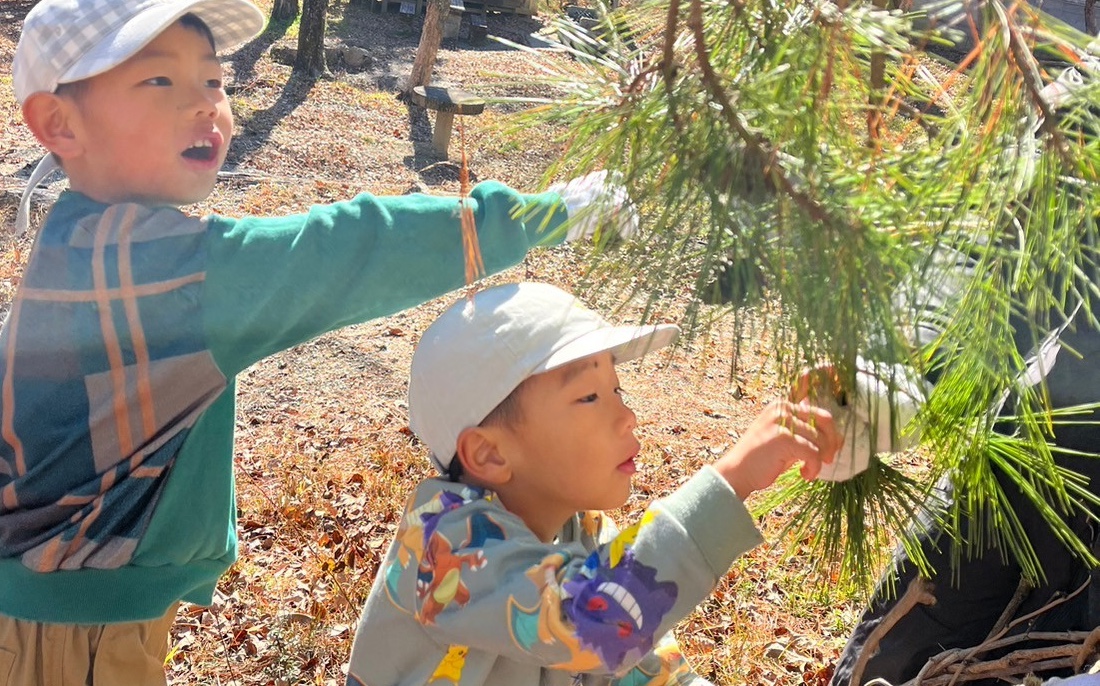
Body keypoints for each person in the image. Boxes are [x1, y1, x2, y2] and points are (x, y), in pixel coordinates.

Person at [0, 1, 633, 683]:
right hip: (70, 638)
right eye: (159, 82)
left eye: (214, 81)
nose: (203, 106)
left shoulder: (86, 244)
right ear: (59, 123)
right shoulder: (159, 272)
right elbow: (344, 253)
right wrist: (538, 217)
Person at [344, 281, 844, 685]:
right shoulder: (443, 547)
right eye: (589, 397)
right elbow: (593, 621)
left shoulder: (579, 530)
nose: (627, 416)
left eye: (617, 389)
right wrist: (730, 479)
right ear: (490, 453)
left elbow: (643, 668)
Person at [828, 54, 1100, 686]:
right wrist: (898, 370)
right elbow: (994, 245)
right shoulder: (1088, 100)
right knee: (892, 660)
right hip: (1022, 468)